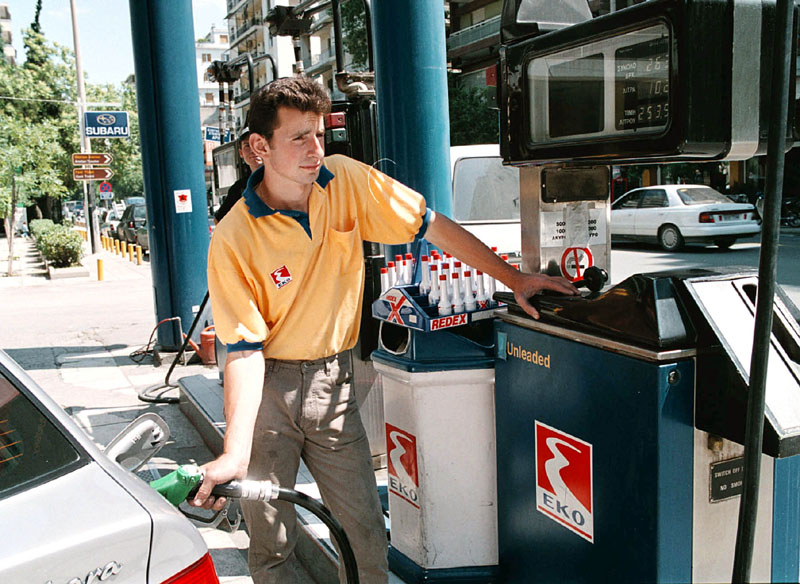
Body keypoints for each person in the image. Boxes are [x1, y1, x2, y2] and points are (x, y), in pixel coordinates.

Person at [193, 77, 577, 583]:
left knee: (365, 532)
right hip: (268, 392)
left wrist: (513, 278)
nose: (315, 150)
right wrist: (235, 451)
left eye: (319, 134)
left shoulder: (346, 180)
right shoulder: (235, 237)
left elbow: (432, 226)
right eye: (298, 137)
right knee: (272, 542)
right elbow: (243, 351)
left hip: (333, 381)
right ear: (260, 146)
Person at [213, 126, 263, 223]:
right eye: (247, 145)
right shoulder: (239, 188)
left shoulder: (282, 180)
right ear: (241, 153)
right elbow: (219, 220)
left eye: (258, 144)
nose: (253, 150)